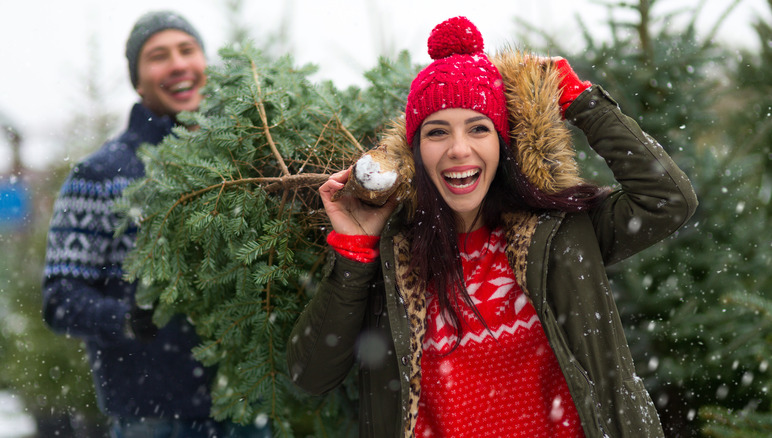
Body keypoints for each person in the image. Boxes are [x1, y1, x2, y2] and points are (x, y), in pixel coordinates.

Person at [287, 16, 697, 438]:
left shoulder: (559, 234)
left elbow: (668, 200)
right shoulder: (395, 258)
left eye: (479, 128)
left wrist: (581, 101)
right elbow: (309, 374)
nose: (459, 149)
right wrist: (356, 251)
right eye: (437, 132)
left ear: (502, 143)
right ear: (415, 152)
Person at [42, 11, 269, 438]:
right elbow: (60, 299)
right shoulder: (101, 174)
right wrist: (128, 319)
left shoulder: (249, 164)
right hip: (152, 415)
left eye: (187, 50)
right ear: (138, 80)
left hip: (245, 409)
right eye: (158, 56)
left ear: (205, 63)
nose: (178, 64)